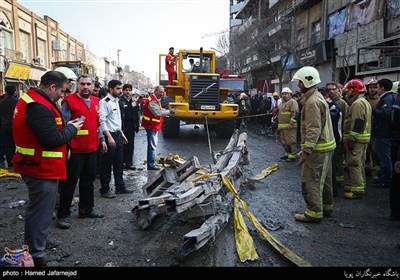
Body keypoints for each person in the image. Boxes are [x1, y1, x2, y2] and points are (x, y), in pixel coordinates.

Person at [11, 71, 84, 266]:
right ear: (52, 87)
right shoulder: (38, 106)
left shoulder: (35, 99)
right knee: (40, 211)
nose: (63, 95)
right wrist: (72, 129)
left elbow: (47, 130)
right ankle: (37, 254)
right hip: (39, 168)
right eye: (62, 90)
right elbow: (51, 140)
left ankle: (38, 242)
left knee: (40, 210)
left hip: (37, 166)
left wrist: (66, 126)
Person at [57, 74, 107, 229]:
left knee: (88, 181)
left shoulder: (95, 101)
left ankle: (86, 210)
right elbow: (63, 125)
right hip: (76, 150)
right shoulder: (69, 102)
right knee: (69, 183)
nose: (85, 87)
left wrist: (102, 140)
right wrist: (67, 147)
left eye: (88, 84)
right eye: (82, 84)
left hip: (92, 148)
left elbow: (97, 124)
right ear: (77, 85)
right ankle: (63, 215)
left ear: (93, 86)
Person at [291, 66, 336, 223]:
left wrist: (306, 151)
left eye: (300, 83)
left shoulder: (312, 102)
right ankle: (327, 207)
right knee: (325, 179)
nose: (298, 86)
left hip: (318, 149)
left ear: (306, 82)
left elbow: (313, 129)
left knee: (312, 180)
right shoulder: (317, 97)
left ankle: (314, 212)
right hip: (326, 147)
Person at [99, 79, 133, 198]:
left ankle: (120, 187)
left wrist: (121, 133)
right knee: (107, 164)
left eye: (120, 88)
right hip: (110, 137)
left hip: (117, 135)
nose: (120, 91)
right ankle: (105, 189)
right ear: (111, 89)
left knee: (119, 162)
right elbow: (102, 121)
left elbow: (115, 120)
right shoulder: (105, 102)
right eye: (118, 89)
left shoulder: (116, 101)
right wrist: (108, 137)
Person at [342, 79, 371, 199]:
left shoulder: (358, 103)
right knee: (359, 163)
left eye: (348, 91)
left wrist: (351, 138)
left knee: (353, 163)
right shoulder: (364, 101)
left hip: (357, 139)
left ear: (353, 90)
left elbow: (358, 122)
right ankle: (359, 184)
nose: (347, 94)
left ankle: (357, 190)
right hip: (362, 138)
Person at [142, 85, 175, 170]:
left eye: (163, 92)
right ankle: (151, 164)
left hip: (152, 125)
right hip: (151, 125)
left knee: (153, 145)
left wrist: (167, 111)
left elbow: (159, 109)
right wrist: (169, 112)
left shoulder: (155, 99)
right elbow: (157, 113)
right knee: (152, 146)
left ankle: (152, 162)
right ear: (155, 91)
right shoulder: (152, 101)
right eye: (160, 92)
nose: (162, 94)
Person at [372, 78, 396, 188]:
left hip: (384, 133)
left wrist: (373, 110)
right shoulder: (391, 97)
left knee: (385, 157)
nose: (376, 90)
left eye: (377, 87)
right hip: (387, 132)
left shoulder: (386, 99)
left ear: (382, 88)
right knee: (386, 156)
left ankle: (386, 180)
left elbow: (385, 114)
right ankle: (383, 177)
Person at [119, 84, 140, 170]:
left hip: (131, 126)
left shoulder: (133, 101)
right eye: (126, 90)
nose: (128, 92)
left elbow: (137, 114)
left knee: (130, 145)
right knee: (122, 146)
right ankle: (122, 163)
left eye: (129, 90)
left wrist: (137, 126)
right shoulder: (120, 101)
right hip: (123, 126)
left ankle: (129, 163)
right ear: (123, 91)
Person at [277, 87, 298, 162]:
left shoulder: (292, 102)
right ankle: (287, 154)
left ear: (290, 94)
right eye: (283, 94)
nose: (284, 95)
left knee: (291, 141)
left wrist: (291, 124)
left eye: (286, 94)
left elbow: (295, 113)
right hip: (282, 126)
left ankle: (293, 155)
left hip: (290, 127)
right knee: (284, 142)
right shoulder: (282, 103)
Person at [0, 85, 18, 169]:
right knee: (17, 145)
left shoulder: (2, 102)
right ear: (15, 92)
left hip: (4, 126)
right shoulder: (17, 102)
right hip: (14, 126)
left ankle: (9, 161)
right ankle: (15, 162)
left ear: (6, 92)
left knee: (7, 144)